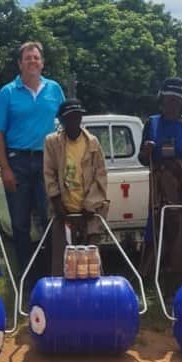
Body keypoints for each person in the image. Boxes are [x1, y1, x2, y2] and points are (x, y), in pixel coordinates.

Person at [0, 41, 65, 275]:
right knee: (20, 224)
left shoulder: (55, 89)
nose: (32, 61)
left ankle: (52, 275)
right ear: (20, 63)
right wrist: (5, 168)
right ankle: (25, 279)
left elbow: (65, 125)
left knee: (50, 220)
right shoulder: (8, 92)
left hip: (48, 161)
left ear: (42, 63)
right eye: (28, 58)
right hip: (18, 161)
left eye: (36, 57)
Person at [139, 78, 182, 298]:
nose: (172, 104)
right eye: (169, 99)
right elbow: (142, 160)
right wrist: (147, 152)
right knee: (162, 230)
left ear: (181, 102)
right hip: (161, 187)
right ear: (162, 99)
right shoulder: (152, 123)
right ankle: (164, 286)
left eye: (176, 100)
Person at [43, 98, 109, 276]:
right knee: (63, 263)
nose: (73, 122)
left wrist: (90, 205)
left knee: (91, 263)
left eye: (77, 117)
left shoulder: (93, 142)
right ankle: (61, 299)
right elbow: (49, 173)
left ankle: (94, 300)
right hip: (63, 211)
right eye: (69, 119)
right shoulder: (52, 142)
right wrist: (57, 201)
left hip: (89, 212)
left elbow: (101, 176)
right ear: (62, 121)